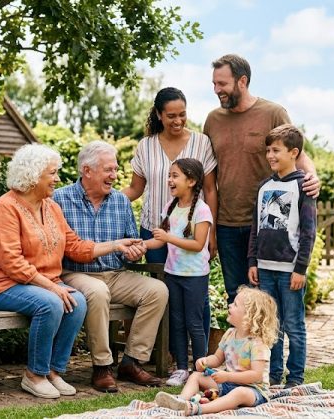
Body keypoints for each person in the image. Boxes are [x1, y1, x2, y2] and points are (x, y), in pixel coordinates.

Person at [0, 144, 142, 399]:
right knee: (53, 302)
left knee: (77, 300)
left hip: (37, 284)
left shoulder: (51, 207)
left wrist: (115, 245)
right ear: (33, 177)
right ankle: (34, 375)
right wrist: (53, 287)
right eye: (51, 174)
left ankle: (54, 371)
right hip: (1, 285)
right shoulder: (6, 207)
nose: (56, 179)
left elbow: (74, 245)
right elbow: (12, 263)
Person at [204, 54, 320, 304]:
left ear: (242, 81)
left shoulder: (273, 112)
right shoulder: (213, 120)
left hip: (268, 223)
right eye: (214, 84)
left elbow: (300, 154)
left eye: (222, 84)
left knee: (267, 298)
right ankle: (244, 346)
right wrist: (210, 228)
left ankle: (267, 345)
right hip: (227, 223)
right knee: (236, 296)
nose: (217, 90)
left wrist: (313, 177)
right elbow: (209, 178)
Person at [54, 141, 169, 393]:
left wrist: (135, 251)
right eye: (108, 170)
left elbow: (131, 248)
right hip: (74, 273)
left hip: (115, 274)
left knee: (157, 290)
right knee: (97, 291)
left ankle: (131, 361)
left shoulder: (120, 202)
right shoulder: (59, 198)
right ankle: (102, 366)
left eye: (115, 169)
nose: (114, 176)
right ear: (87, 170)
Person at [122, 87, 217, 363]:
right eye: (171, 116)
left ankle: (202, 359)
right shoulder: (146, 146)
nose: (178, 121)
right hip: (156, 231)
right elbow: (135, 189)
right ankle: (169, 357)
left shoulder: (201, 143)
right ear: (159, 115)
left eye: (183, 115)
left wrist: (214, 233)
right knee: (165, 298)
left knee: (198, 300)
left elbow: (210, 189)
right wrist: (107, 196)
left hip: (192, 231)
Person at [248, 124, 317, 388]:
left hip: (290, 270)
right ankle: (273, 374)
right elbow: (256, 227)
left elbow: (309, 233)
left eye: (276, 150)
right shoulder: (264, 187)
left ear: (294, 152)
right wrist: (252, 261)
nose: (270, 155)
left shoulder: (304, 187)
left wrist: (301, 269)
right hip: (264, 269)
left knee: (293, 325)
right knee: (270, 326)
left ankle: (295, 377)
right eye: (268, 150)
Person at [154, 287, 279, 416]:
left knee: (239, 393)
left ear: (249, 315)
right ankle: (180, 401)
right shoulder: (230, 334)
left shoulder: (257, 343)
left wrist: (228, 376)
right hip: (228, 384)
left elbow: (256, 375)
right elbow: (218, 358)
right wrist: (205, 361)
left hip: (253, 391)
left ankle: (197, 409)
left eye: (235, 304)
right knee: (196, 376)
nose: (230, 305)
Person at [142, 158, 213, 387]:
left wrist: (169, 238)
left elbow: (198, 244)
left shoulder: (202, 210)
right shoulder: (169, 207)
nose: (170, 180)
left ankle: (201, 370)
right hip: (173, 273)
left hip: (195, 276)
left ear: (191, 181)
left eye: (175, 176)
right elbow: (159, 241)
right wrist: (140, 246)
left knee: (194, 323)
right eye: (169, 175)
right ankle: (181, 368)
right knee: (177, 322)